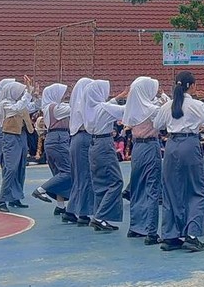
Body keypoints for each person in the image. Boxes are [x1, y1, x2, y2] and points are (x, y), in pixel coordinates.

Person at [153, 71, 204, 252]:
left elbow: (157, 125)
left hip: (171, 145)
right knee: (197, 190)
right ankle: (192, 234)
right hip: (189, 144)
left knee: (171, 190)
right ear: (191, 86)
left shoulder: (168, 105)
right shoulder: (195, 104)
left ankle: (170, 235)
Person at [123, 76, 167, 245]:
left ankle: (136, 226)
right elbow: (163, 122)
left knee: (137, 186)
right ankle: (151, 231)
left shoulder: (133, 107)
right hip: (150, 145)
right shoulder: (152, 109)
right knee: (152, 188)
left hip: (137, 148)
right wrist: (164, 99)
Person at [84, 79, 130, 232]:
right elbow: (124, 110)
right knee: (116, 181)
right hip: (104, 143)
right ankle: (100, 217)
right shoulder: (103, 108)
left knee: (100, 183)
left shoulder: (89, 108)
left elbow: (108, 106)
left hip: (94, 144)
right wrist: (136, 98)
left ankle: (100, 217)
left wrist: (119, 97)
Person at [0, 79, 39, 212]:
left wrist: (36, 96)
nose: (21, 94)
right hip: (10, 136)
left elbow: (34, 106)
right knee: (11, 168)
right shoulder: (5, 103)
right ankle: (2, 200)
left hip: (21, 135)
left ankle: (15, 197)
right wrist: (28, 94)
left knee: (20, 167)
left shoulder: (19, 102)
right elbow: (16, 108)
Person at [32, 83, 72, 216]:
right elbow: (74, 107)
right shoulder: (56, 108)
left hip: (53, 138)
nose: (65, 95)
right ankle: (41, 190)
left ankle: (60, 206)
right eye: (63, 93)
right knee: (67, 172)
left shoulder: (48, 107)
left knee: (59, 174)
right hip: (59, 138)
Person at [63, 78, 95, 226]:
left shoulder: (76, 104)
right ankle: (83, 213)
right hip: (84, 138)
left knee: (79, 177)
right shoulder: (84, 104)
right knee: (86, 176)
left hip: (77, 139)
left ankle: (71, 210)